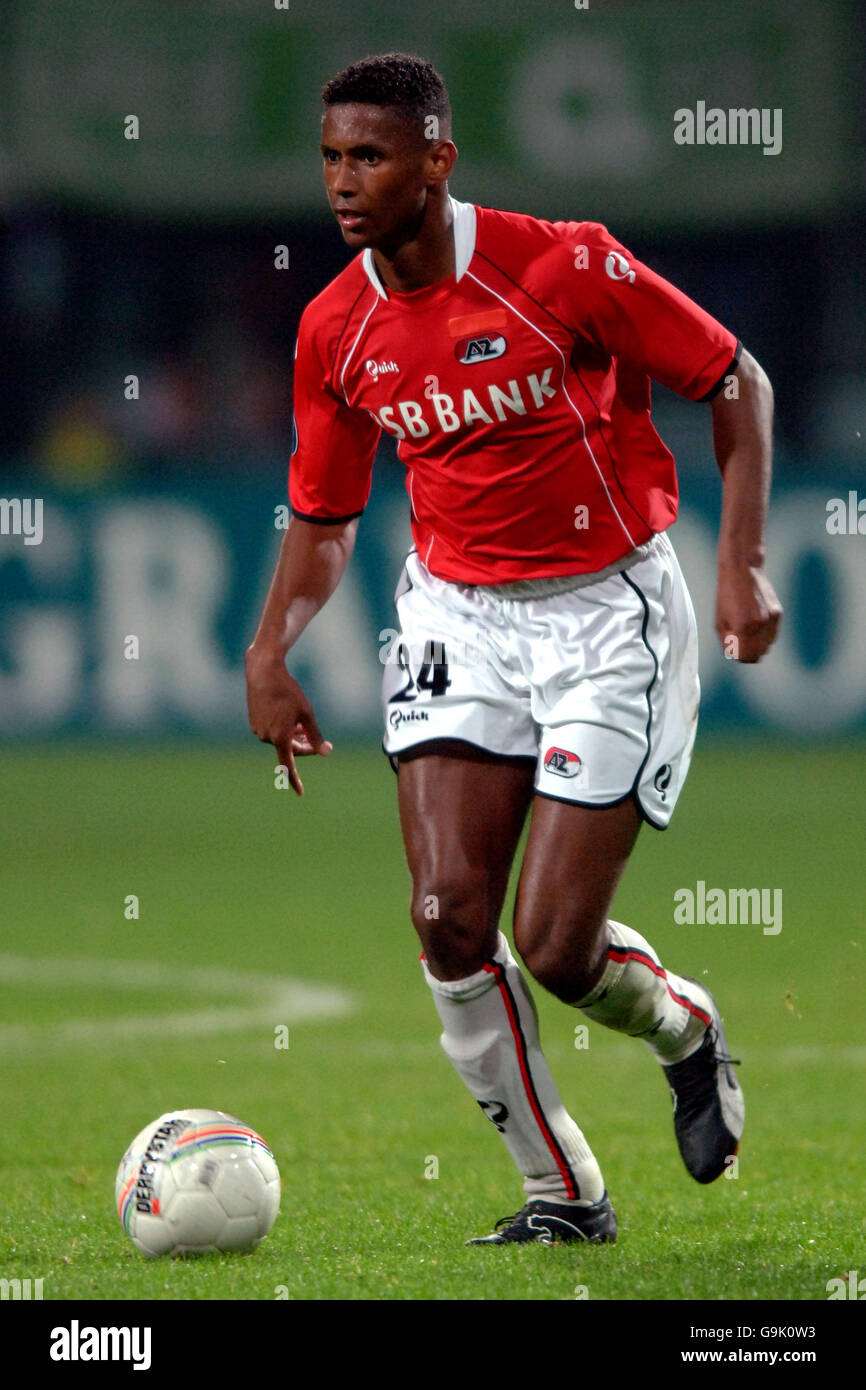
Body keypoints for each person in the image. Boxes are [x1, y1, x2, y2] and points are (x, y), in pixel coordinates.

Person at [245, 52, 782, 1245]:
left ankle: (685, 1031)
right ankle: (561, 1195)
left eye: (370, 156)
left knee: (552, 945)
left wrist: (739, 559)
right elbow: (327, 520)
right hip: (454, 614)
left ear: (436, 161)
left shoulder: (562, 263)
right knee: (444, 913)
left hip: (606, 614)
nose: (343, 181)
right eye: (331, 157)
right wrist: (271, 648)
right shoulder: (334, 327)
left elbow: (731, 376)